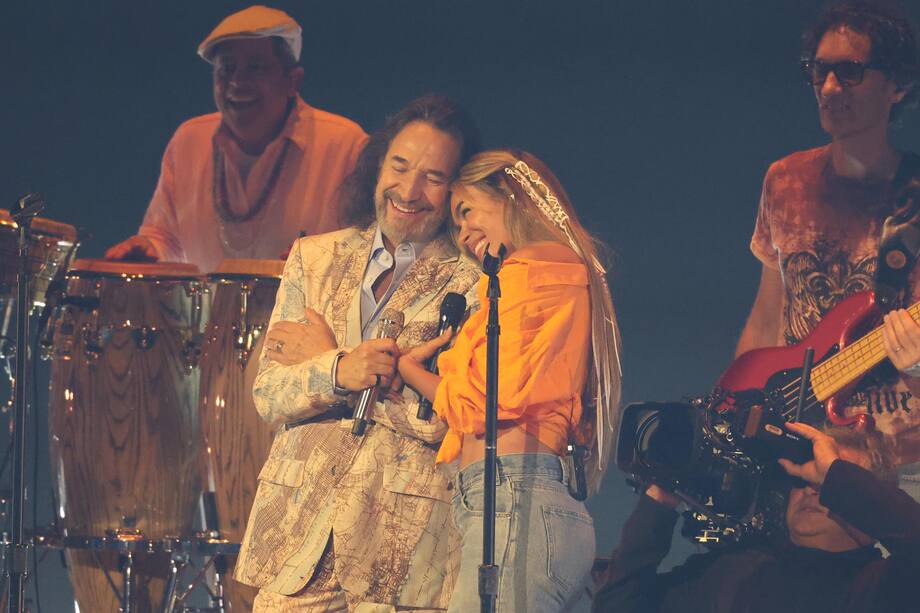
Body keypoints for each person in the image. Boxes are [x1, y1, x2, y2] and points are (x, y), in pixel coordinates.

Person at [233, 94, 482, 611]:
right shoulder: (314, 257)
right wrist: (342, 369)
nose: (409, 191)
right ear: (377, 165)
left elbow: (448, 420)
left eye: (433, 177)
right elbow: (268, 394)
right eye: (400, 166)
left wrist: (325, 360)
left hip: (401, 555)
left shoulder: (474, 282)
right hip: (295, 544)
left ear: (457, 191)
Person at [397, 150, 623, 611]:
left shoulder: (526, 273)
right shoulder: (558, 273)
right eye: (456, 225)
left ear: (510, 196)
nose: (463, 235)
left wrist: (408, 370)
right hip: (528, 505)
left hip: (513, 502)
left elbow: (483, 401)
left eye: (467, 212)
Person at [736, 0, 920, 496]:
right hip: (796, 441)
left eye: (851, 72)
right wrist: (731, 405)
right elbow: (767, 311)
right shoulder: (784, 180)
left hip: (898, 459)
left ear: (897, 86)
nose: (831, 87)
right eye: (820, 71)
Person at [105, 5, 367, 272]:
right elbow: (165, 239)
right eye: (226, 69)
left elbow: (373, 248)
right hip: (203, 314)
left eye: (254, 68)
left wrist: (324, 259)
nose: (237, 82)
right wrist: (148, 249)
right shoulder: (188, 141)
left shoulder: (345, 145)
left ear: (293, 81)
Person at [592, 421, 920, 613]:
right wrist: (659, 503)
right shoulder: (736, 569)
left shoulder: (880, 588)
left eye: (824, 481)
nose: (809, 489)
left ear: (867, 497)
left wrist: (836, 474)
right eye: (802, 477)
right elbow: (618, 606)